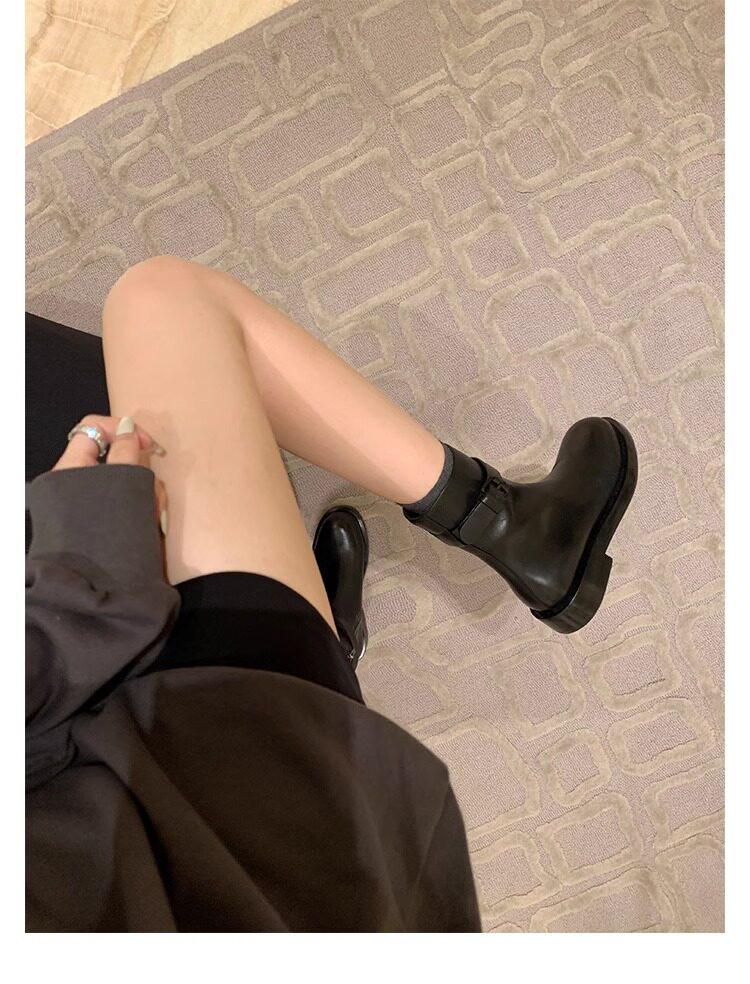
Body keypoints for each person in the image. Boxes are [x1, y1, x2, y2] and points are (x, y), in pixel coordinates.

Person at [25, 256, 637, 932]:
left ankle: (342, 643)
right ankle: (510, 529)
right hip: (206, 824)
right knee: (165, 304)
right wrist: (75, 575)